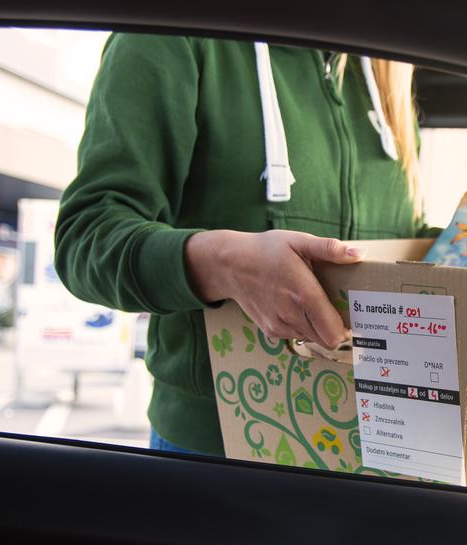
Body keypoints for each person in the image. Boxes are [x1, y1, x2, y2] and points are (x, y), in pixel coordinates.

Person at [55, 33, 436, 456]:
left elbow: (401, 235)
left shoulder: (387, 73)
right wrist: (225, 267)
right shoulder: (174, 31)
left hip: (382, 446)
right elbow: (86, 237)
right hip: (217, 454)